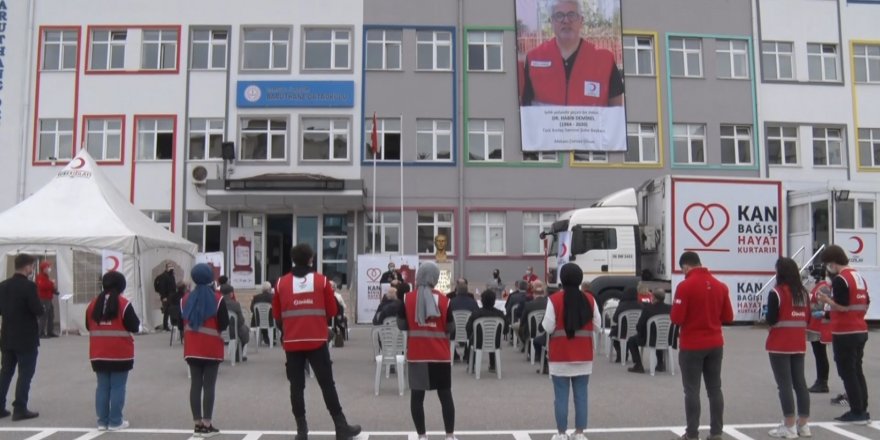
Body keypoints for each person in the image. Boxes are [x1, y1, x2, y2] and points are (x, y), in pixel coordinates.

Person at [273, 244, 360, 440]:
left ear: (293, 260)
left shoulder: (280, 284)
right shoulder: (321, 282)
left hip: (293, 341)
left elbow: (277, 315)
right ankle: (341, 426)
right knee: (327, 384)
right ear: (311, 259)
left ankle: (301, 431)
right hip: (317, 340)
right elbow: (332, 311)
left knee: (296, 386)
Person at [670, 251, 733, 440]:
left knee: (691, 390)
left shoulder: (685, 286)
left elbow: (677, 318)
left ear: (686, 267)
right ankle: (716, 432)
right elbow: (728, 317)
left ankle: (692, 433)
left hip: (692, 344)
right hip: (715, 342)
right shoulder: (720, 286)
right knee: (715, 389)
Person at [520, 0, 624, 107]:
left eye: (572, 15)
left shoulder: (605, 60)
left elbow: (616, 112)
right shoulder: (534, 58)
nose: (566, 20)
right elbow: (525, 109)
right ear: (551, 21)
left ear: (581, 21)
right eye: (559, 15)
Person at [397, 262, 457, 440]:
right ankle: (449, 435)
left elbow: (401, 324)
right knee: (445, 396)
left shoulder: (407, 298)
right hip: (440, 355)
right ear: (434, 278)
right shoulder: (445, 300)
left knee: (417, 397)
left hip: (417, 355)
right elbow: (451, 328)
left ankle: (422, 436)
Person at [542, 263, 600, 440]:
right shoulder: (589, 299)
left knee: (561, 396)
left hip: (560, 355)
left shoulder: (554, 300)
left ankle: (561, 433)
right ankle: (580, 433)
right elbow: (597, 326)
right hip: (583, 355)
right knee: (581, 395)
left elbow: (548, 326)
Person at [817, 244, 870, 424]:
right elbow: (865, 302)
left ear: (833, 262)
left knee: (847, 372)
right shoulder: (858, 277)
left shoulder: (841, 279)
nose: (827, 268)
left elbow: (843, 305)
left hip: (845, 331)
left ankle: (857, 411)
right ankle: (862, 408)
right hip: (860, 328)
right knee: (857, 370)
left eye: (827, 264)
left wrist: (826, 300)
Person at [85, 270, 140, 431]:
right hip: (120, 353)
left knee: (102, 386)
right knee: (117, 386)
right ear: (121, 285)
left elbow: (88, 326)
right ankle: (115, 421)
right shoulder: (123, 304)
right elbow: (134, 326)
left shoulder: (93, 304)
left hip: (97, 352)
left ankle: (102, 421)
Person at [765, 257, 811, 438]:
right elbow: (807, 318)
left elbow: (772, 318)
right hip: (798, 342)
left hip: (779, 344)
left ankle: (789, 425)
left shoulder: (777, 292)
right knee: (800, 383)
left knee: (784, 385)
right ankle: (803, 425)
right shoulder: (803, 293)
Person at [182, 263, 229, 438]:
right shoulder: (218, 299)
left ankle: (197, 424)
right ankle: (207, 424)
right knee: (209, 385)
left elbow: (183, 320)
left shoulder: (185, 298)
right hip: (211, 348)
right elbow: (224, 324)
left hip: (192, 347)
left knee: (195, 384)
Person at [0, 254, 43, 421]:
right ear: (27, 267)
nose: (32, 269)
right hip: (26, 337)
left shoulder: (3, 285)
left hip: (7, 335)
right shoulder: (29, 287)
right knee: (25, 373)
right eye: (32, 266)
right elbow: (37, 309)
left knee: (6, 372)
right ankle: (20, 407)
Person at [626, 289, 672, 374]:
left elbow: (640, 326)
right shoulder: (670, 308)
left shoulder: (648, 309)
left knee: (631, 340)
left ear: (654, 297)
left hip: (649, 339)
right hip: (666, 338)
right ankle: (660, 364)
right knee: (658, 334)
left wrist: (640, 332)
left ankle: (638, 365)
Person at [806, 266, 832, 394]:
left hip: (819, 326)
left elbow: (824, 306)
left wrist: (811, 307)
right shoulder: (818, 286)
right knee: (819, 355)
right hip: (815, 325)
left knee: (820, 355)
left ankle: (822, 382)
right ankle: (820, 380)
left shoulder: (823, 287)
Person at [465, 289, 506, 371]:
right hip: (495, 342)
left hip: (478, 342)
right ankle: (493, 364)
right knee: (493, 335)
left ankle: (471, 365)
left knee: (473, 337)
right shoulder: (500, 314)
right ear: (494, 301)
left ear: (482, 301)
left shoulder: (476, 314)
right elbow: (506, 330)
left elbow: (468, 328)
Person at [610, 286, 643, 363]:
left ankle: (621, 353)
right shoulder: (641, 305)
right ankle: (626, 352)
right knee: (628, 337)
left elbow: (615, 319)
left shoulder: (622, 305)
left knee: (614, 333)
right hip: (637, 331)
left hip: (623, 331)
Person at [519, 280, 549, 357]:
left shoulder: (528, 305)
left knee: (521, 328)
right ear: (543, 294)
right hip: (545, 331)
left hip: (531, 331)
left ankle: (528, 349)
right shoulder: (549, 304)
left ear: (534, 294)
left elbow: (522, 321)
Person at [219, 285, 249, 362]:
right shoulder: (235, 304)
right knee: (244, 330)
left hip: (219, 332)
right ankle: (237, 355)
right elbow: (241, 321)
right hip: (233, 333)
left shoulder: (216, 303)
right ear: (231, 294)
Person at [35, 261, 58, 338]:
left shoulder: (46, 277)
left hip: (48, 298)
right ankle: (41, 333)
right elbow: (42, 286)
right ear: (44, 268)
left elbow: (48, 287)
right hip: (43, 299)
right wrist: (51, 284)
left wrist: (54, 290)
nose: (49, 269)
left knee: (51, 315)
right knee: (43, 316)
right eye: (48, 267)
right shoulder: (40, 277)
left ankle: (50, 331)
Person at [153, 263, 176, 331]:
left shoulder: (172, 276)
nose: (171, 268)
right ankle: (165, 326)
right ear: (166, 268)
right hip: (166, 296)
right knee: (166, 311)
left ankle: (171, 324)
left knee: (171, 311)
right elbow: (162, 288)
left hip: (172, 296)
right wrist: (163, 297)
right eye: (169, 266)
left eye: (172, 266)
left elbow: (173, 286)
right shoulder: (163, 276)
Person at [250, 282, 274, 346]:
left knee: (263, 319)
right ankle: (271, 338)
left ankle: (266, 338)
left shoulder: (255, 297)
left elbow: (252, 309)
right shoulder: (273, 297)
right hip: (270, 321)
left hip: (257, 321)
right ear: (270, 289)